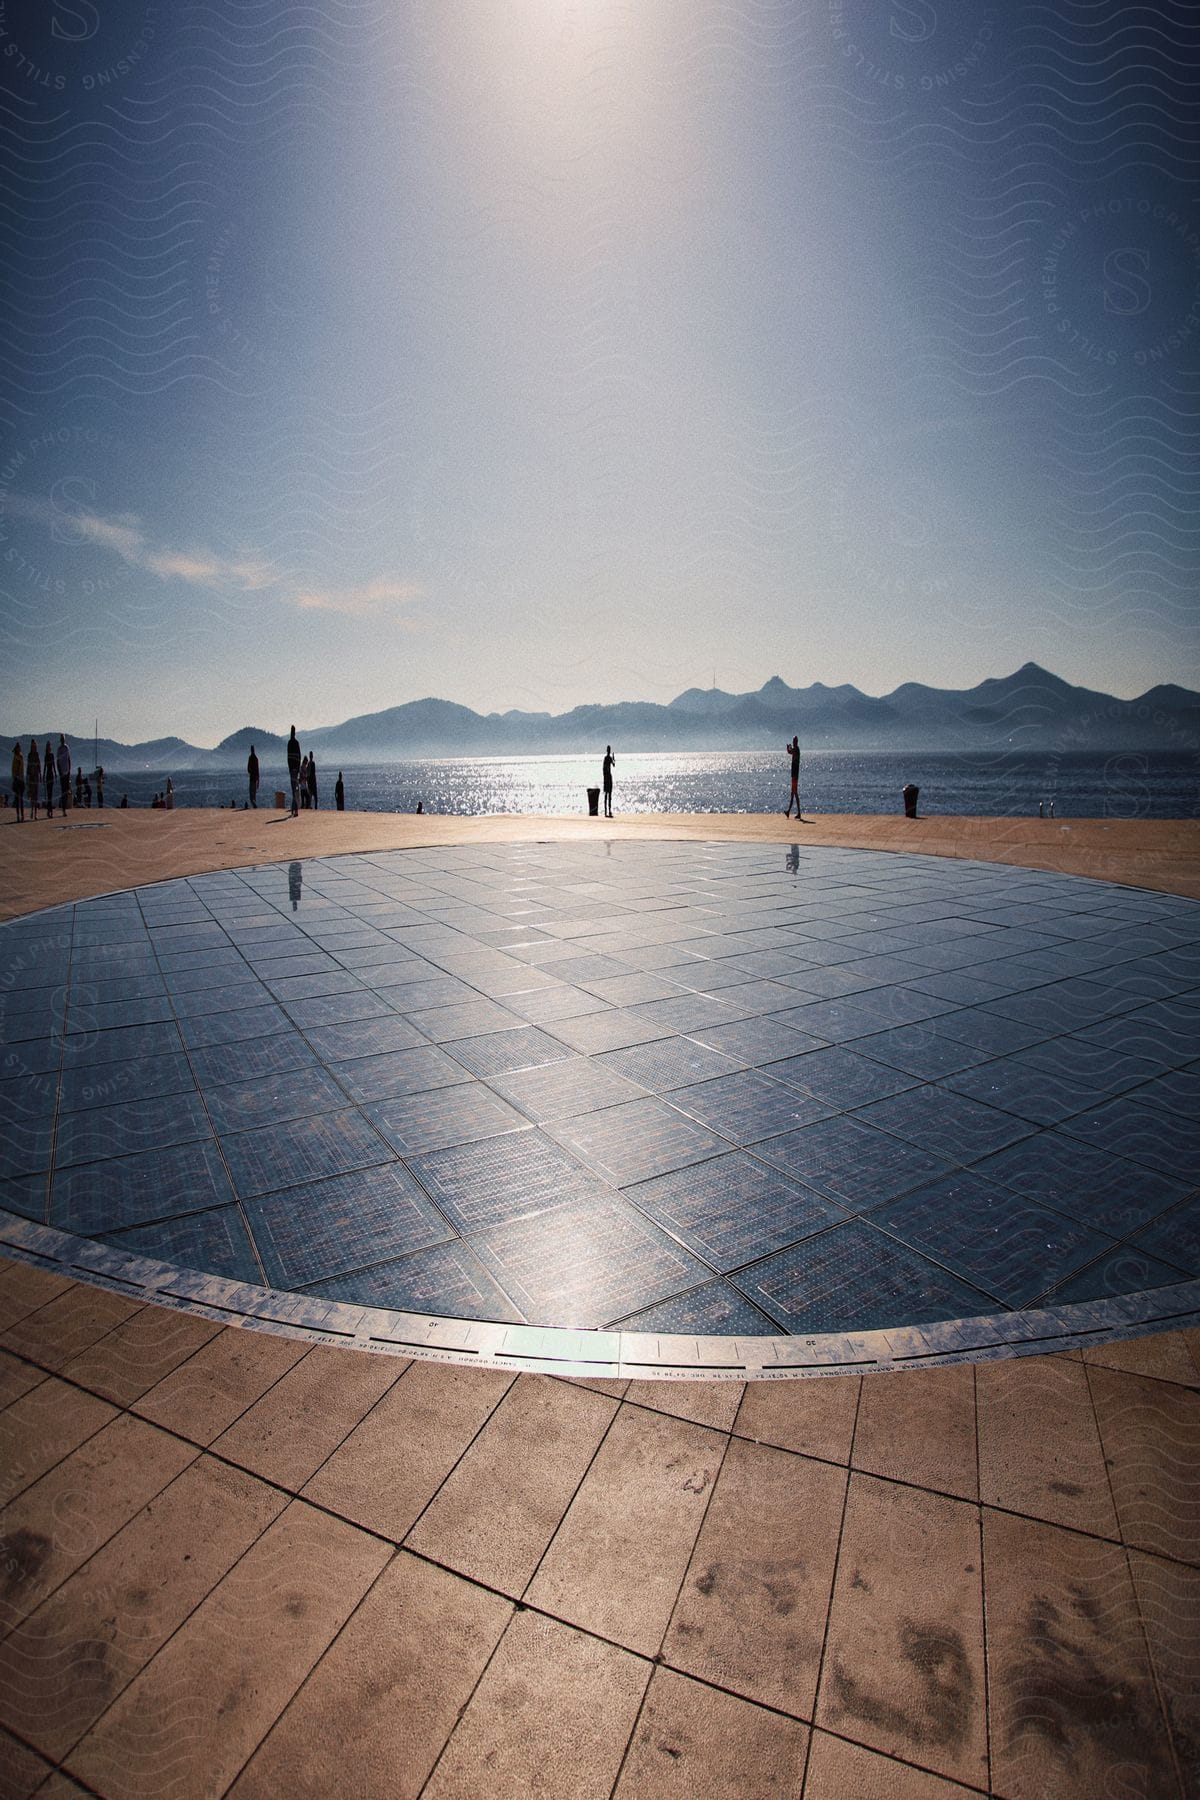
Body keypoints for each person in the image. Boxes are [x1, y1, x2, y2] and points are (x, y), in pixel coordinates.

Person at [784, 735, 805, 820]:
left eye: (794, 741)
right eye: (793, 741)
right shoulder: (796, 749)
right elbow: (790, 752)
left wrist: (788, 748)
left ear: (796, 741)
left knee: (794, 793)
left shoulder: (796, 749)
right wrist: (788, 748)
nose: (793, 742)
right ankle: (789, 811)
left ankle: (797, 812)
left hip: (795, 775)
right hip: (794, 775)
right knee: (793, 794)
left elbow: (790, 751)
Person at [287, 725, 301, 816]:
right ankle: (294, 808)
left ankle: (294, 808)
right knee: (295, 789)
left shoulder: (290, 743)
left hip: (292, 770)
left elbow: (288, 758)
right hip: (295, 769)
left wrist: (290, 768)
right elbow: (299, 756)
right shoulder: (296, 743)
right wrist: (298, 768)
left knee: (294, 789)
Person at [56, 736, 71, 816]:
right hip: (62, 772)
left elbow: (69, 759)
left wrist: (69, 770)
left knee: (66, 790)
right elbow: (57, 761)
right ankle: (63, 809)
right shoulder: (59, 749)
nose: (62, 740)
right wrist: (59, 772)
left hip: (67, 772)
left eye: (63, 739)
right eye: (61, 739)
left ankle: (64, 808)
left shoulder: (66, 747)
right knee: (63, 790)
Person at [26, 740, 40, 821]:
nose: (33, 747)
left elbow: (38, 765)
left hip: (36, 776)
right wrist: (27, 777)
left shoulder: (36, 754)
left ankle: (35, 813)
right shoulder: (29, 755)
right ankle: (32, 810)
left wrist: (40, 774)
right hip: (31, 776)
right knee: (32, 794)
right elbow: (28, 766)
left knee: (36, 794)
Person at [11, 742, 25, 821]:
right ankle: (18, 816)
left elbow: (20, 768)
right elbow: (14, 769)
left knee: (20, 799)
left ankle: (21, 816)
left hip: (20, 779)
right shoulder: (16, 757)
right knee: (18, 799)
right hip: (17, 779)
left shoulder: (20, 757)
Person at [602, 744, 615, 818]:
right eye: (608, 750)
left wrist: (613, 758)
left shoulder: (609, 758)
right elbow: (604, 768)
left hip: (608, 777)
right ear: (607, 750)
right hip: (607, 777)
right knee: (607, 794)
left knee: (609, 794)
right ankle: (606, 811)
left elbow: (613, 765)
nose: (609, 751)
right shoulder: (607, 758)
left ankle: (608, 810)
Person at [43, 739, 54, 817]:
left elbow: (53, 765)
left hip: (51, 774)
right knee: (48, 793)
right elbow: (45, 767)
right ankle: (49, 810)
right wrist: (43, 776)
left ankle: (50, 810)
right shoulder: (46, 756)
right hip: (48, 775)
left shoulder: (51, 755)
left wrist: (56, 773)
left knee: (50, 793)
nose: (49, 747)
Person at [247, 743, 259, 808]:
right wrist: (258, 779)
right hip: (255, 778)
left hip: (252, 778)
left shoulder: (250, 758)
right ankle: (254, 804)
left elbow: (248, 768)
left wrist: (250, 772)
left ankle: (254, 804)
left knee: (251, 792)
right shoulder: (256, 758)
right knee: (254, 792)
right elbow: (257, 769)